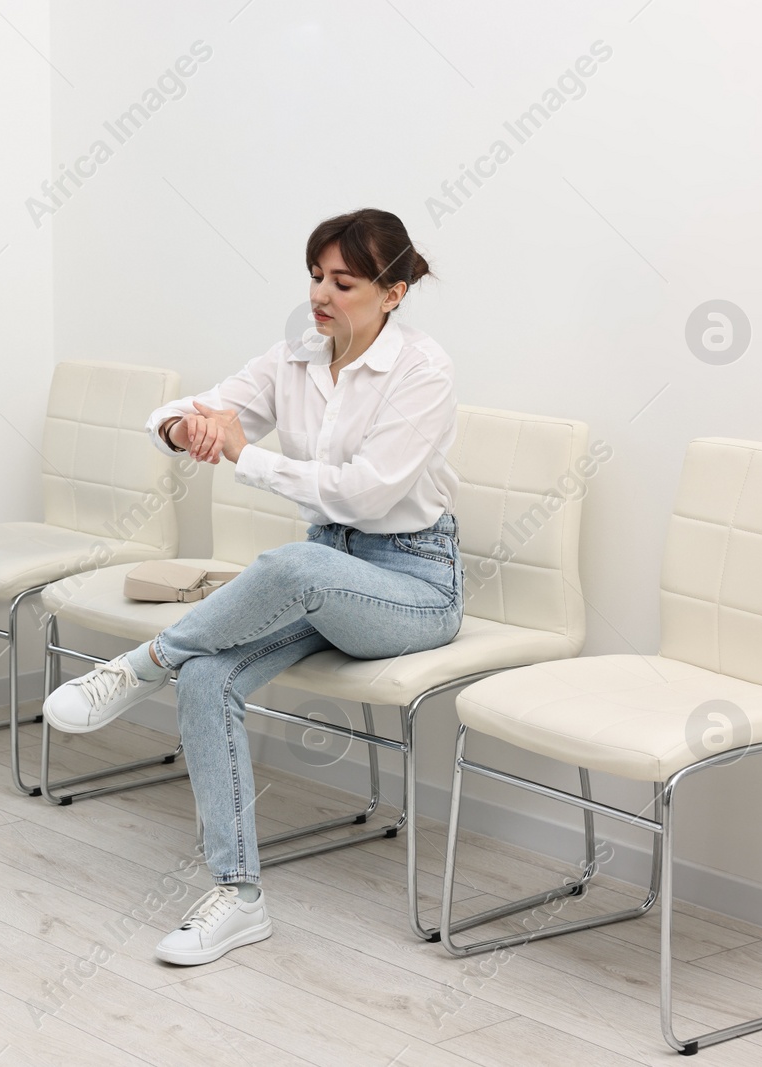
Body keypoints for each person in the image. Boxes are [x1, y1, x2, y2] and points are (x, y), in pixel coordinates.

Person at [43, 208, 463, 965]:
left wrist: (246, 457)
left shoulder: (423, 370)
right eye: (314, 276)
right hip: (324, 572)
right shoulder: (295, 357)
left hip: (412, 583)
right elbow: (181, 411)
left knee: (287, 564)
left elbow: (366, 496)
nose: (321, 294)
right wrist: (188, 431)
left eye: (343, 281)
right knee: (210, 675)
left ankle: (144, 662)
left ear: (393, 292)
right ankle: (237, 896)